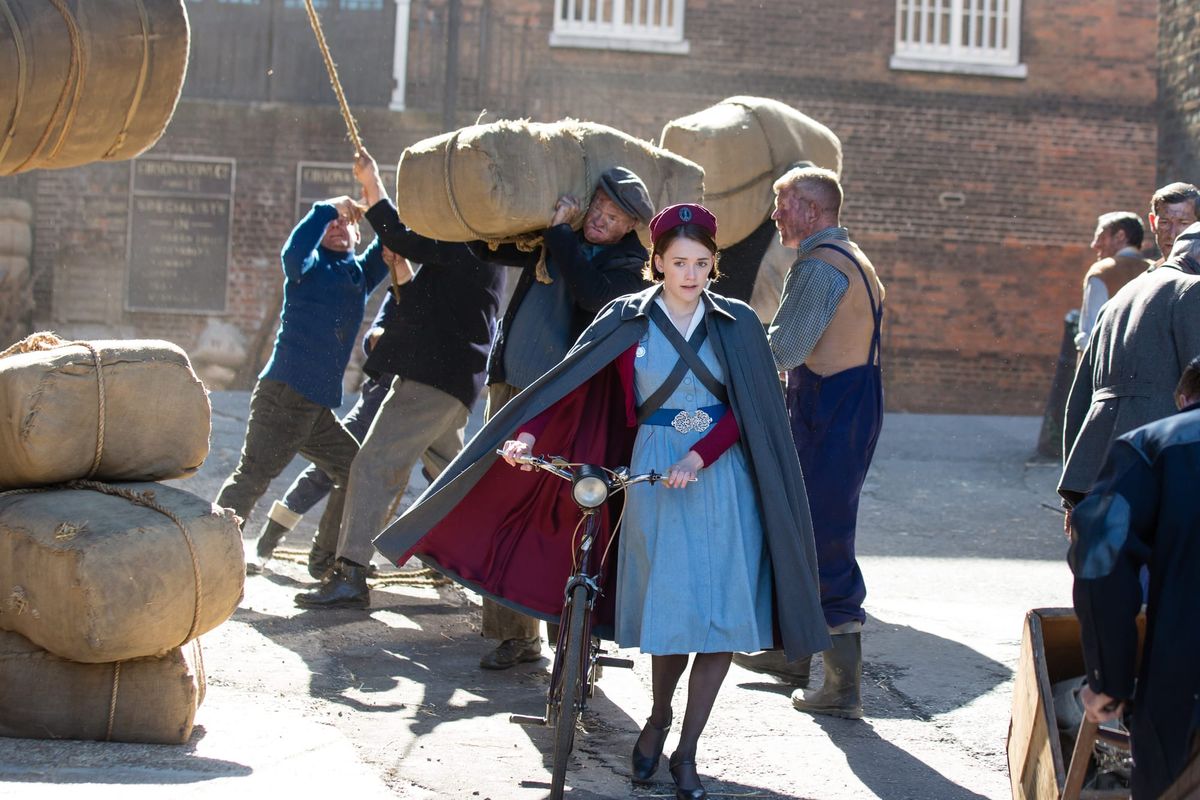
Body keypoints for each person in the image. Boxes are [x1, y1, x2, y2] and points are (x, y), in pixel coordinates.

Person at [372, 203, 828, 800]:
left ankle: (688, 751)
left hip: (723, 479)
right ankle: (659, 719)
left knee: (720, 621)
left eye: (701, 262)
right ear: (657, 263)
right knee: (673, 620)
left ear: (714, 263)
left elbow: (750, 409)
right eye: (678, 262)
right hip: (653, 474)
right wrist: (529, 433)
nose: (690, 273)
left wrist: (698, 457)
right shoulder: (626, 317)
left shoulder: (737, 322)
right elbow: (574, 385)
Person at [294, 148, 506, 609]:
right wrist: (398, 263)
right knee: (453, 479)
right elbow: (415, 302)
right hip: (448, 384)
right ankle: (484, 560)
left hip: (431, 381)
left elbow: (400, 234)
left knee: (373, 465)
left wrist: (372, 185)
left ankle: (350, 572)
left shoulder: (471, 242)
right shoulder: (467, 251)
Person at [466, 166, 654, 669]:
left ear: (629, 225)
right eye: (597, 209)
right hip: (510, 381)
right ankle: (515, 634)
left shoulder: (629, 264)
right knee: (496, 501)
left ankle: (565, 630)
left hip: (560, 403)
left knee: (558, 514)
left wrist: (559, 237)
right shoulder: (559, 235)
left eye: (612, 217)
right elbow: (488, 249)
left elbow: (596, 301)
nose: (599, 220)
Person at [735, 166, 885, 720]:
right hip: (842, 401)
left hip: (833, 406)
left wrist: (729, 354)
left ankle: (840, 687)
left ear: (811, 210)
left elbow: (787, 347)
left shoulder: (820, 265)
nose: (774, 215)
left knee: (824, 535)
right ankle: (792, 654)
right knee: (801, 525)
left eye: (782, 203)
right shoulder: (849, 255)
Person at [214, 193, 391, 559]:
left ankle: (325, 558)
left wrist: (374, 202)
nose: (340, 228)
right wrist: (328, 208)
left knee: (354, 472)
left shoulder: (359, 273)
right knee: (252, 479)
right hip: (283, 395)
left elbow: (393, 234)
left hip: (315, 409)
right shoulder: (308, 267)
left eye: (347, 224)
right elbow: (292, 253)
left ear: (358, 234)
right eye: (332, 224)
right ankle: (213, 558)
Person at [1069, 356, 1200, 799]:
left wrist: (1110, 680)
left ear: (1184, 398)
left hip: (1186, 683)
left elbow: (1101, 560)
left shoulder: (1151, 447)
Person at [247, 290, 400, 577]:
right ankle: (268, 541)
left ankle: (354, 555)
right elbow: (373, 339)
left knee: (403, 478)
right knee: (330, 466)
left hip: (434, 395)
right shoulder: (403, 284)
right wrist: (382, 338)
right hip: (384, 390)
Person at [1060, 222, 1200, 514]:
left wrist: (1071, 487)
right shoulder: (1192, 289)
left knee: (1110, 558)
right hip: (1161, 467)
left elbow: (1079, 398)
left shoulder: (1121, 296)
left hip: (1095, 468)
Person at [1074, 212, 1151, 353]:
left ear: (1120, 236)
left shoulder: (1103, 271)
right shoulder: (1157, 270)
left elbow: (1091, 334)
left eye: (1100, 237)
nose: (1094, 245)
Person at [1148, 182, 1200, 267]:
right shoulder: (1148, 277)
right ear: (1153, 223)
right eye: (1164, 222)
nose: (1172, 235)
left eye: (1184, 223)